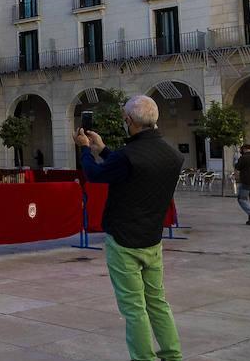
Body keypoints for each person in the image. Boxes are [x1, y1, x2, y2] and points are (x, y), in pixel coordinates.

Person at [75, 95, 183, 361]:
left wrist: (85, 149)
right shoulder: (172, 155)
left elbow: (96, 175)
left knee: (134, 308)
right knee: (157, 302)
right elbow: (131, 168)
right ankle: (173, 355)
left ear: (129, 121)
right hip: (152, 239)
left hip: (124, 240)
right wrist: (103, 150)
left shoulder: (128, 156)